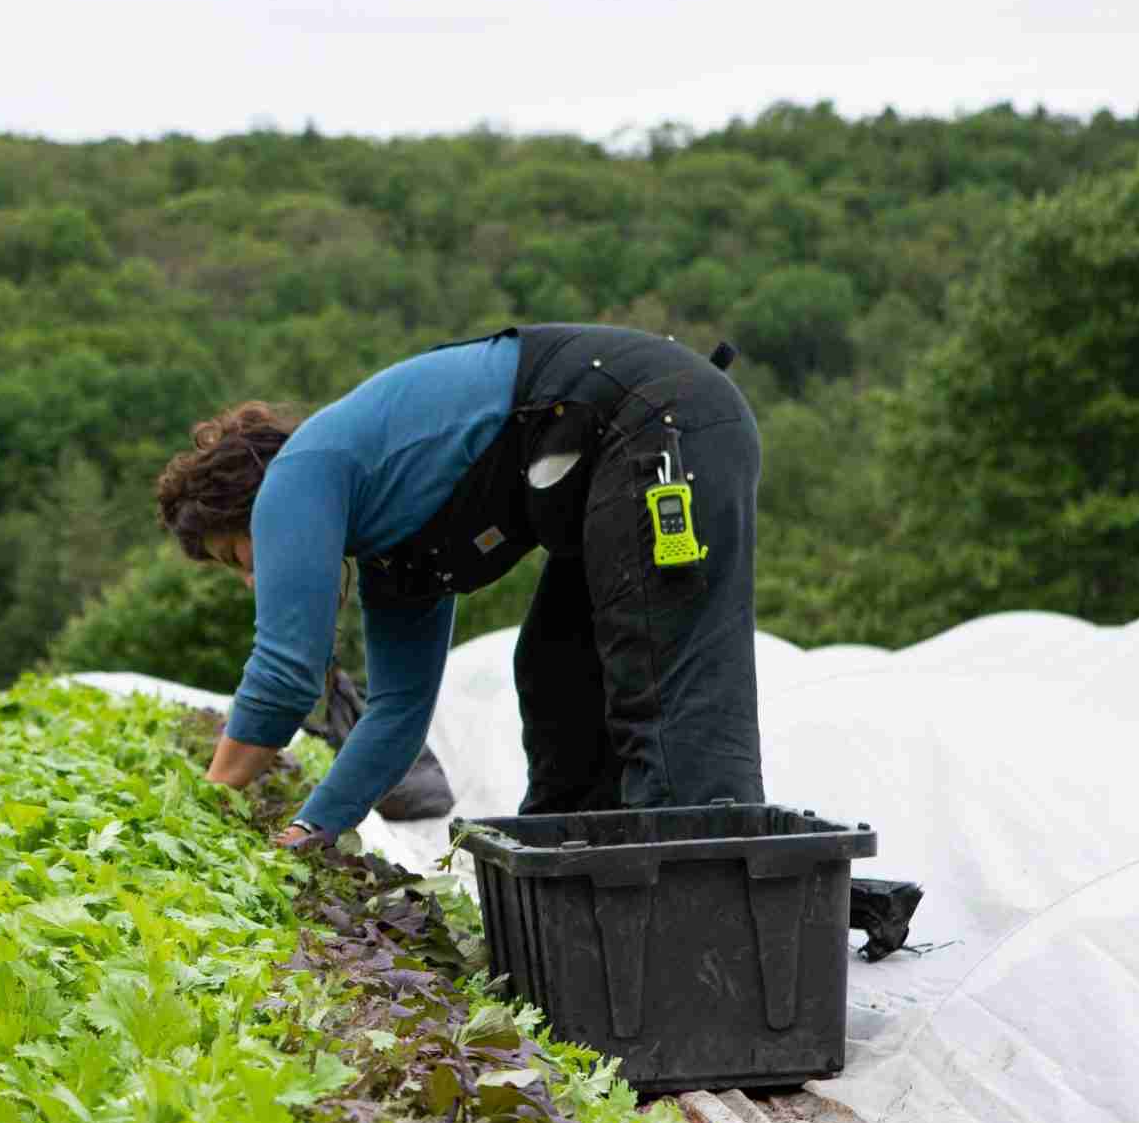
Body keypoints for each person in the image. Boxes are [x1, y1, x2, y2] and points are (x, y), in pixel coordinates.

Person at [154, 324, 763, 843]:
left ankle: (703, 903)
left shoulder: (296, 475)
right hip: (622, 443)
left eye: (237, 555)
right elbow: (395, 716)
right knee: (558, 673)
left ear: (252, 505)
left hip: (656, 423)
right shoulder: (395, 550)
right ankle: (590, 899)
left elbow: (286, 675)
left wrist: (205, 806)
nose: (252, 579)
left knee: (655, 672)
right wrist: (311, 830)